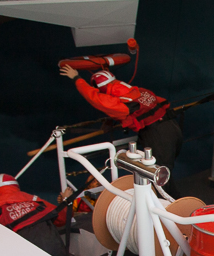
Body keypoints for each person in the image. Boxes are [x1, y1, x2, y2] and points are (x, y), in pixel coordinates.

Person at [59, 65, 183, 194]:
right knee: (163, 172)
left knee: (160, 175)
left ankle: (172, 209)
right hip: (172, 127)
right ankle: (169, 205)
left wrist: (76, 78)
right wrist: (110, 120)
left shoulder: (122, 102)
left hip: (157, 134)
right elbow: (134, 109)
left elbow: (97, 99)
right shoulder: (133, 91)